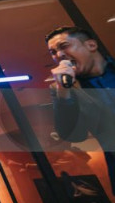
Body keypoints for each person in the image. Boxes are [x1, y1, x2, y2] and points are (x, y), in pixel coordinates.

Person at [47, 26, 115, 193]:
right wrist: (64, 90)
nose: (59, 55)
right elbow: (73, 135)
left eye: (64, 46)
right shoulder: (67, 89)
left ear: (91, 45)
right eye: (53, 52)